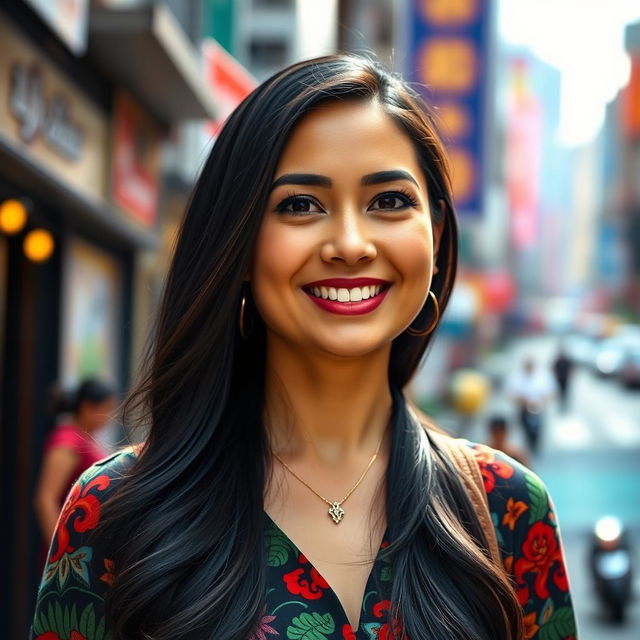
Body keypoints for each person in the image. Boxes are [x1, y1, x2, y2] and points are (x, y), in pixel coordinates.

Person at [31, 55, 577, 640]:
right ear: (238, 244)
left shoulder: (508, 510)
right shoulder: (113, 512)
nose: (349, 244)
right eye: (299, 205)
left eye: (389, 201)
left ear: (437, 236)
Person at [33, 379, 115, 564]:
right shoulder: (67, 442)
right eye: (105, 409)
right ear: (87, 408)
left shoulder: (85, 438)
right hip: (71, 552)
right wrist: (61, 554)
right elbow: (46, 499)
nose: (108, 416)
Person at [507, 357, 556, 455]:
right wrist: (522, 401)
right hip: (523, 408)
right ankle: (529, 447)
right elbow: (511, 393)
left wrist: (541, 400)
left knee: (537, 430)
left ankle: (535, 447)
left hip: (539, 407)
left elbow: (551, 391)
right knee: (525, 429)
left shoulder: (542, 376)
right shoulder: (516, 377)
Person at [552, 347, 573, 411]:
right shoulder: (558, 361)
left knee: (565, 393)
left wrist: (569, 376)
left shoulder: (567, 361)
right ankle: (561, 405)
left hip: (565, 379)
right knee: (560, 392)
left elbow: (571, 369)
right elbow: (554, 369)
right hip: (559, 379)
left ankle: (564, 405)